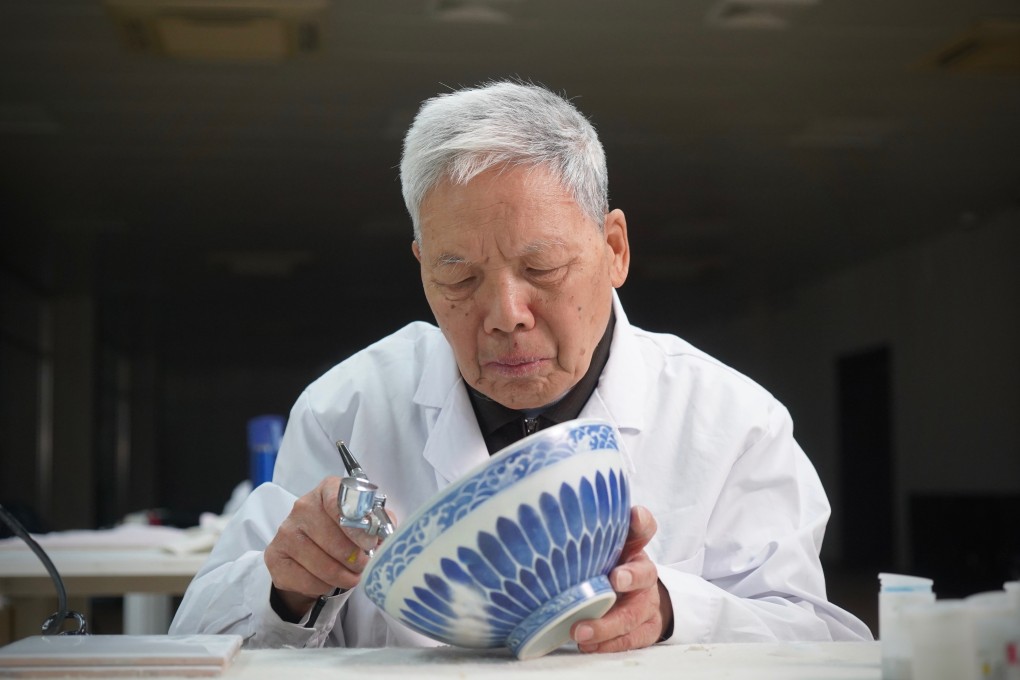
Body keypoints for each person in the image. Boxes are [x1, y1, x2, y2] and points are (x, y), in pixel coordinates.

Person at [170, 80, 872, 650]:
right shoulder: (348, 410)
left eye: (541, 267)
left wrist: (671, 610)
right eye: (459, 277)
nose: (506, 313)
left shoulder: (731, 422)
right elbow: (191, 641)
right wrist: (284, 587)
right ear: (421, 271)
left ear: (615, 248)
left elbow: (824, 640)